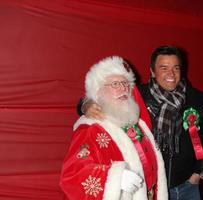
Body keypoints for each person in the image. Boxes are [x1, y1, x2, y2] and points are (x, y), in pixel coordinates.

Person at [79, 45, 203, 200]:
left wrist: (199, 172)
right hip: (154, 188)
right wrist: (85, 104)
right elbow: (104, 95)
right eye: (164, 68)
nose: (171, 73)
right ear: (152, 71)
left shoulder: (196, 98)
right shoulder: (137, 95)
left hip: (188, 185)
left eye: (175, 68)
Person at [60, 56, 168, 200]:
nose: (123, 88)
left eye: (125, 83)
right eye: (115, 84)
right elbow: (72, 174)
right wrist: (114, 178)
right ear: (98, 91)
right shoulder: (89, 128)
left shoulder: (137, 123)